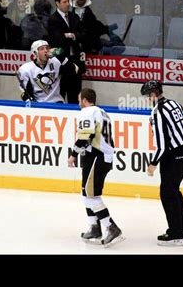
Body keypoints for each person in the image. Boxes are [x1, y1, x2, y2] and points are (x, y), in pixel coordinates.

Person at [67, 88, 124, 247]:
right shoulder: (103, 113)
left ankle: (111, 227)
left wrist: (73, 155)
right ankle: (94, 227)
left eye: (79, 99)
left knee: (91, 196)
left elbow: (85, 135)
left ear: (84, 100)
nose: (79, 103)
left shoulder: (87, 112)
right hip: (100, 158)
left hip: (96, 157)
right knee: (86, 193)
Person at [141, 80, 183, 246]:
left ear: (153, 94)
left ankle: (175, 233)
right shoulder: (175, 104)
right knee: (174, 190)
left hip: (173, 156)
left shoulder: (158, 111)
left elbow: (162, 144)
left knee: (167, 193)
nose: (148, 99)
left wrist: (153, 163)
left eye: (148, 96)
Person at [48, 0, 86, 104]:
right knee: (60, 95)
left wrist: (71, 35)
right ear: (57, 3)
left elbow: (83, 34)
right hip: (61, 61)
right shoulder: (53, 19)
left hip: (76, 60)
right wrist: (66, 36)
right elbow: (57, 39)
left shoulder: (74, 17)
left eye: (68, 1)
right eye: (65, 2)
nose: (68, 4)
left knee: (75, 96)